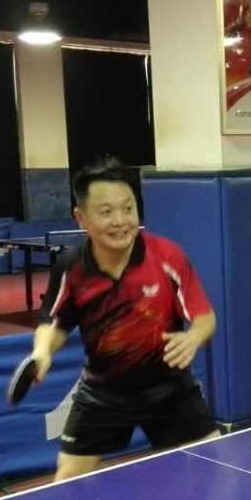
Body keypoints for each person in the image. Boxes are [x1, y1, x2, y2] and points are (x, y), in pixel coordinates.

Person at [32, 159, 219, 482]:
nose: (120, 221)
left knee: (215, 467)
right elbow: (54, 321)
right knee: (66, 481)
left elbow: (205, 318)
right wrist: (42, 351)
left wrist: (192, 338)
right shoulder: (71, 266)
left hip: (169, 388)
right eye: (106, 212)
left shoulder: (167, 256)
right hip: (103, 392)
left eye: (128, 208)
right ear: (81, 218)